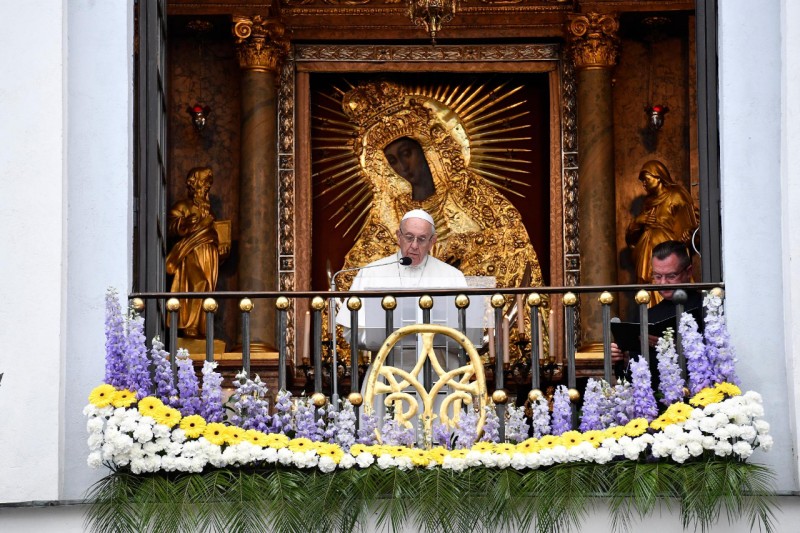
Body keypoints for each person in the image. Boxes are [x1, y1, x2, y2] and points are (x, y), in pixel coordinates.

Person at [611, 240, 702, 377]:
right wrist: (622, 359)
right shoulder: (647, 316)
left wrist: (674, 346)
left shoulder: (705, 308)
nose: (663, 283)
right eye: (657, 276)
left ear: (688, 272)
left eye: (671, 276)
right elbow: (635, 374)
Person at [625, 160, 699, 304]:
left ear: (658, 177)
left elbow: (692, 226)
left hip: (669, 257)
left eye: (646, 179)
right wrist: (638, 221)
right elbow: (631, 239)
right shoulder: (648, 203)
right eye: (642, 181)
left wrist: (689, 235)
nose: (644, 184)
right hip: (647, 258)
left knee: (668, 291)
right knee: (650, 292)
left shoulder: (676, 195)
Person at [165, 167, 219, 338]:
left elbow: (213, 233)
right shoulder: (182, 206)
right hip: (190, 251)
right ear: (194, 184)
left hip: (209, 253)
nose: (207, 187)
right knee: (199, 283)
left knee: (207, 288)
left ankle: (202, 328)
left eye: (209, 183)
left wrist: (221, 246)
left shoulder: (210, 211)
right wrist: (184, 223)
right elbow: (170, 226)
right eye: (204, 182)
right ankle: (190, 325)